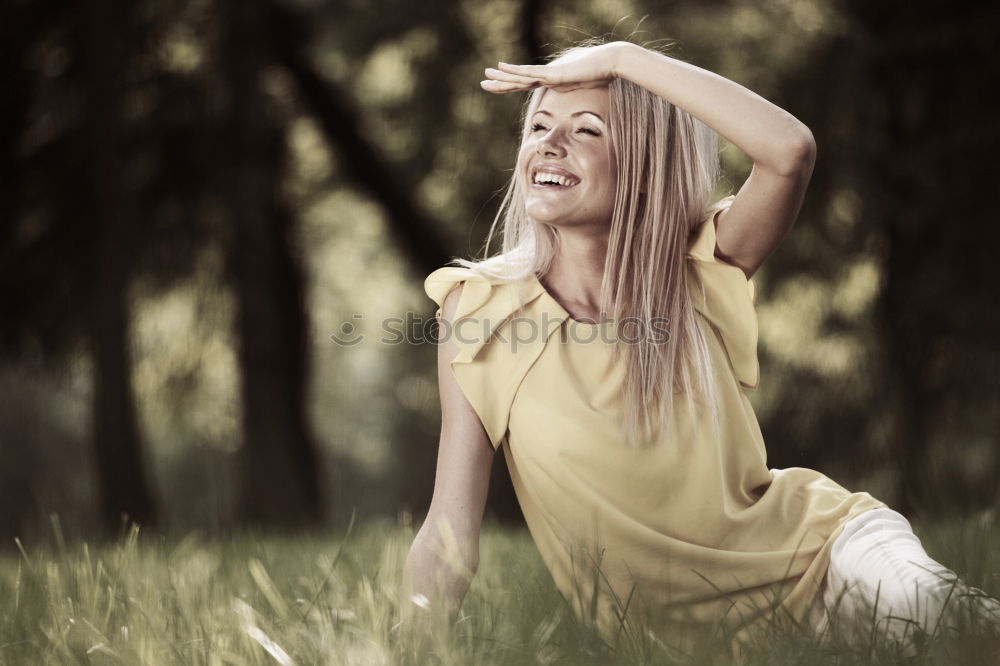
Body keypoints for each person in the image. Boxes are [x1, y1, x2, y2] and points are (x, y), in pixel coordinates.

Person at [397, 39, 1000, 657]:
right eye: (541, 125)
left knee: (950, 625)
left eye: (588, 131)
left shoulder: (701, 268)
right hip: (691, 645)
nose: (550, 145)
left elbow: (789, 152)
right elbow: (449, 529)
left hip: (828, 555)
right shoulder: (477, 311)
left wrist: (623, 59)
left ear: (643, 164)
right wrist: (410, 651)